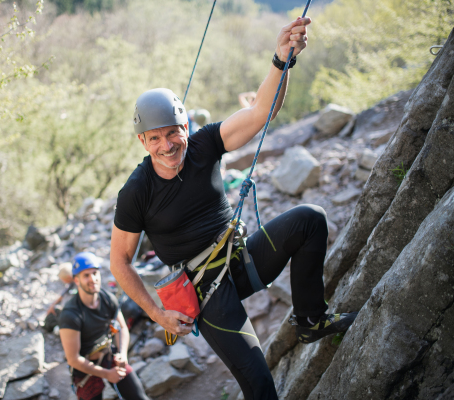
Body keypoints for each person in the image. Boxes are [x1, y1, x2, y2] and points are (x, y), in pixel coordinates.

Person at [110, 17, 357, 400]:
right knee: (259, 384)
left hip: (241, 260)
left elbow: (262, 112)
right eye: (155, 138)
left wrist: (281, 59)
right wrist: (157, 312)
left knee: (311, 219)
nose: (167, 145)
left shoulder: (205, 144)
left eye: (174, 132)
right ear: (143, 141)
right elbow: (119, 262)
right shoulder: (136, 192)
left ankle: (310, 319)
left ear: (186, 126)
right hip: (206, 295)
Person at [59, 252, 149, 400]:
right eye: (86, 275)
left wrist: (122, 354)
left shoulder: (108, 299)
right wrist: (107, 374)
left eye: (95, 273)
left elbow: (122, 328)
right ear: (76, 280)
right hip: (84, 366)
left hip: (107, 353)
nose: (92, 279)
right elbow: (73, 359)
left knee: (139, 397)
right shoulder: (70, 314)